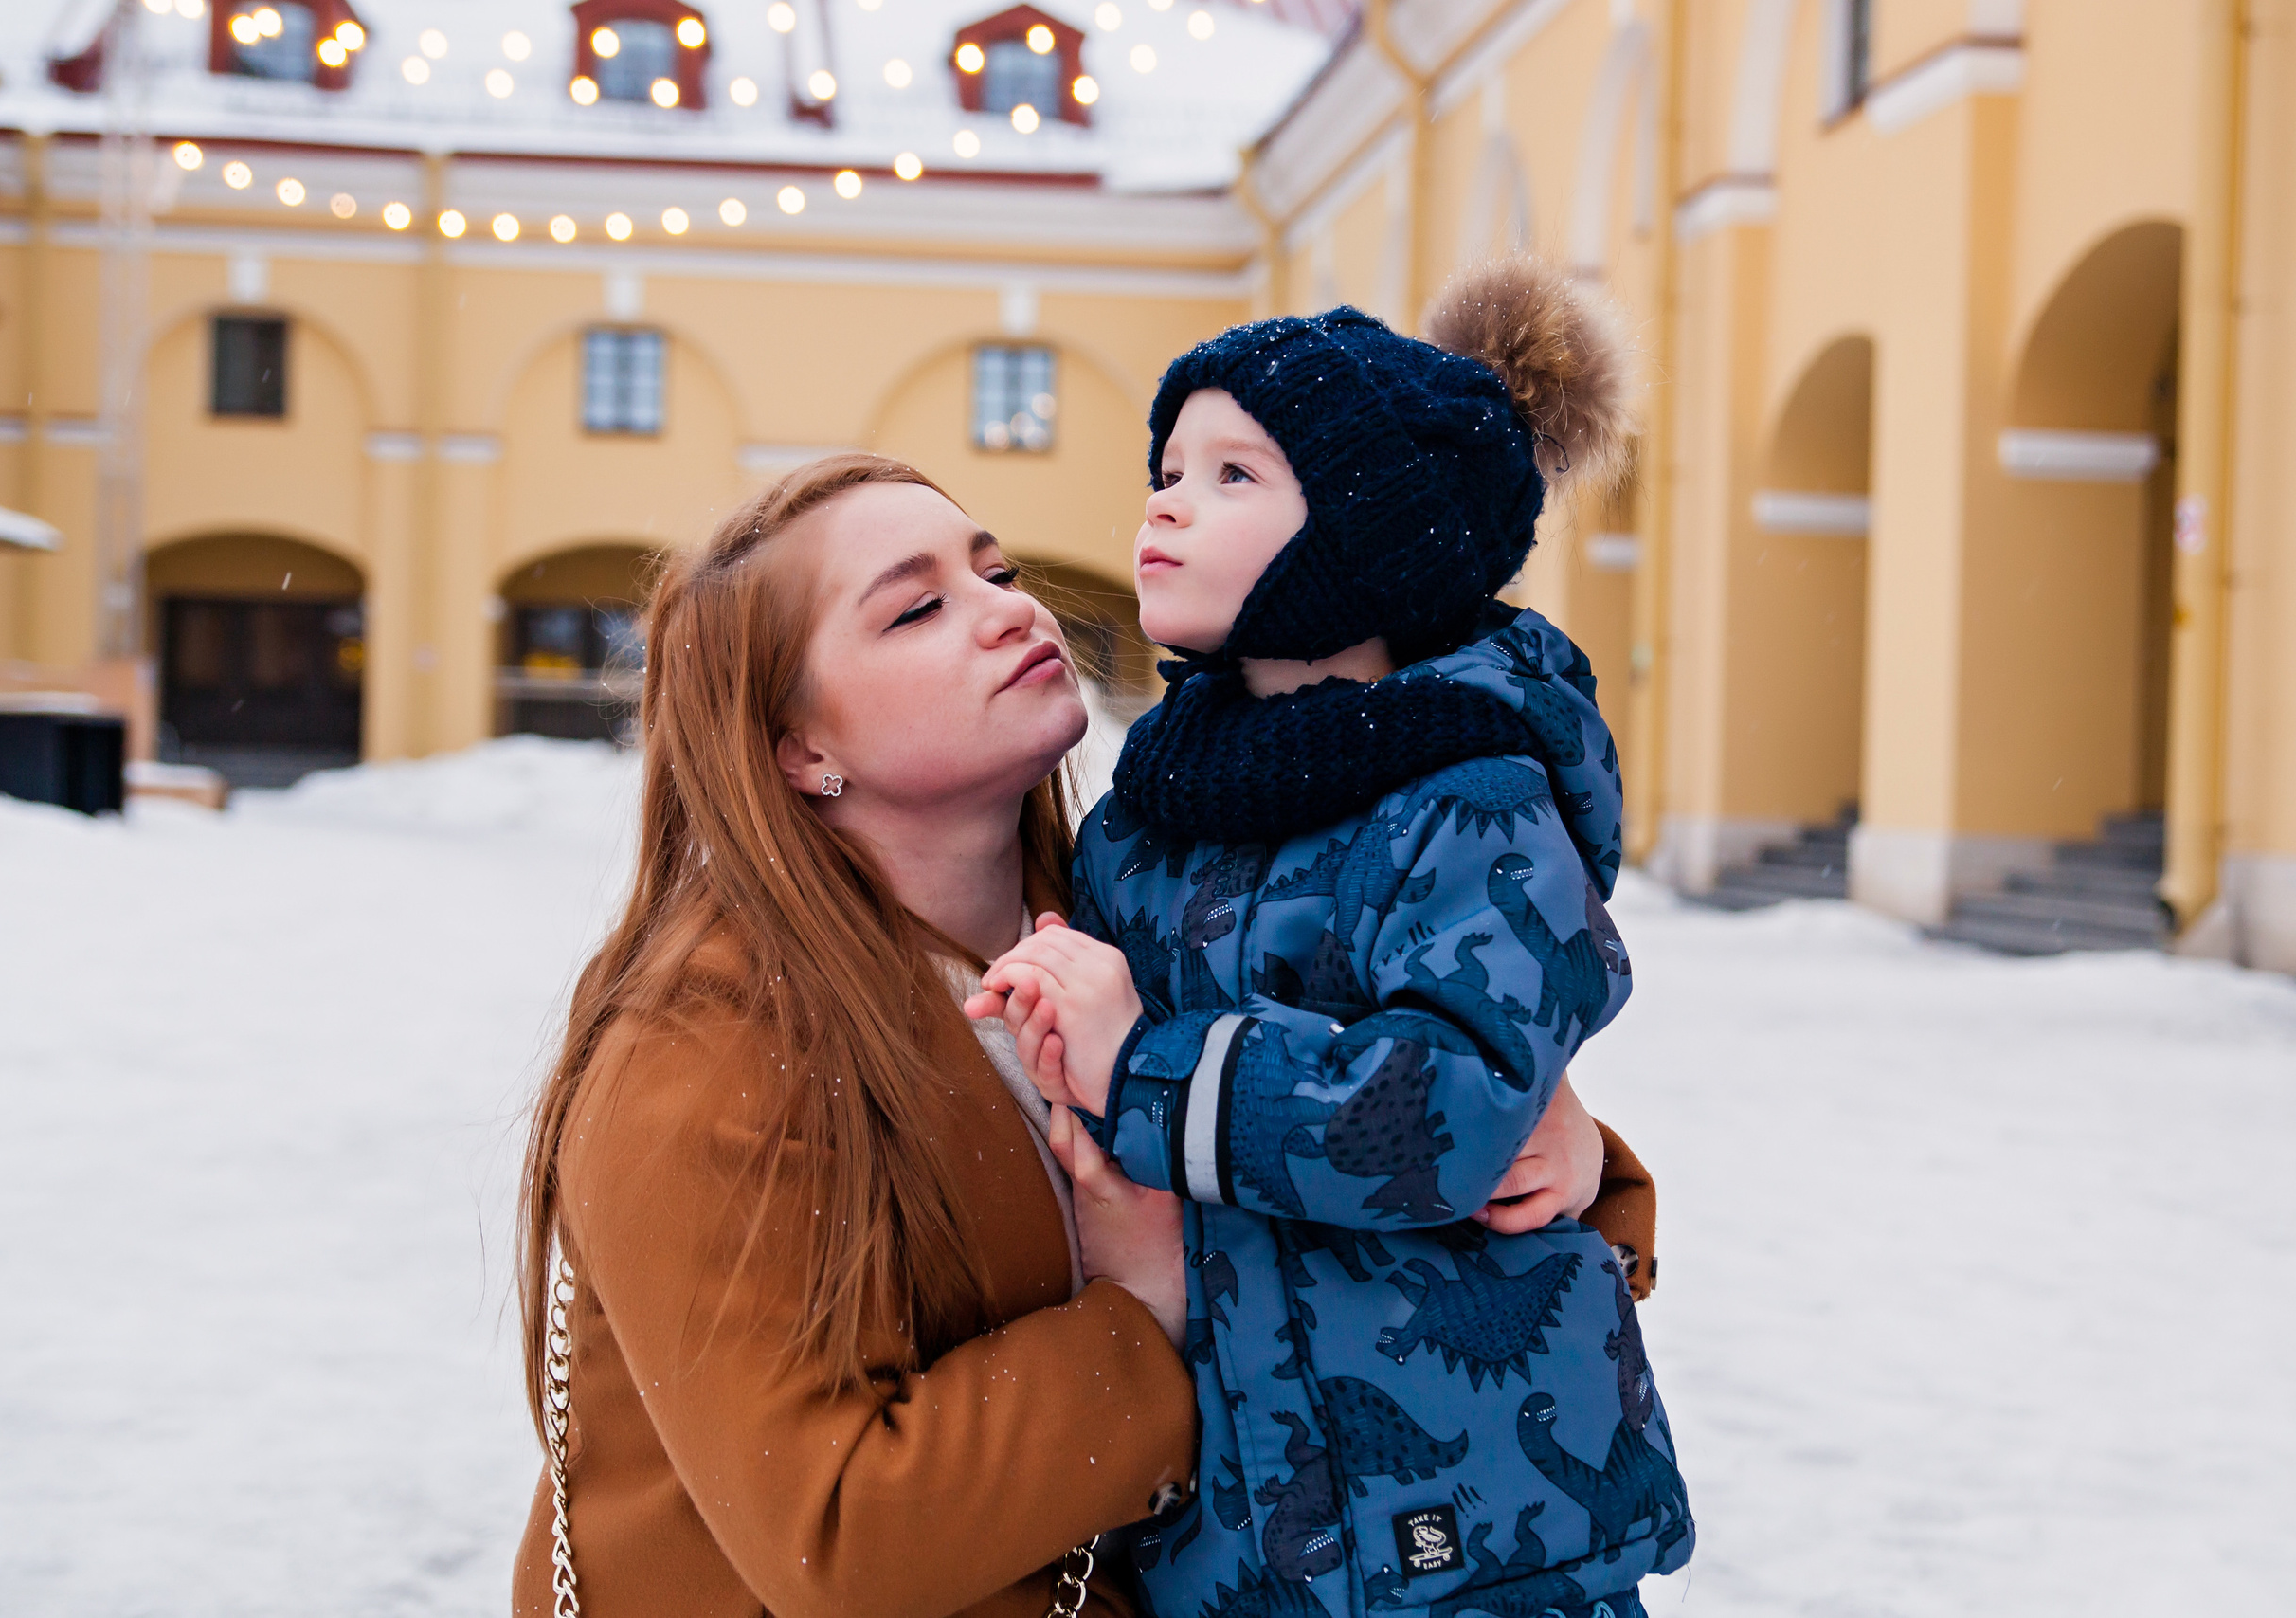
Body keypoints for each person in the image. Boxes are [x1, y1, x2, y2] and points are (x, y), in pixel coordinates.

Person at [510, 450, 1649, 1618]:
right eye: (917, 608)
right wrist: (1139, 1312)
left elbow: (1309, 1109)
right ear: (801, 750)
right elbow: (835, 1537)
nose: (1008, 609)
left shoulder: (1130, 927)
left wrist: (1549, 1140)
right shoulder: (708, 1048)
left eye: (995, 568)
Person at [968, 263, 1692, 1618]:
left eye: (1235, 474)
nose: (1167, 500)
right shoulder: (1150, 815)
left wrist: (1146, 1068)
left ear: (1371, 537)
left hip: (1477, 1526)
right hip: (1237, 1522)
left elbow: (1442, 1113)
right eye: (1168, 466)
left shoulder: (1469, 796)